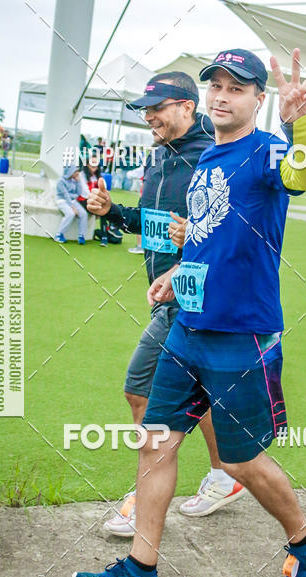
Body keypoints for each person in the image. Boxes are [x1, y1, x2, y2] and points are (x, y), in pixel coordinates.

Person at [74, 47, 306, 577]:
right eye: (215, 84)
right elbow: (205, 236)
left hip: (242, 334)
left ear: (258, 99)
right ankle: (140, 570)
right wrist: (176, 272)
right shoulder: (206, 164)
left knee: (239, 459)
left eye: (236, 87)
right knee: (155, 443)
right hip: (187, 327)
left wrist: (300, 119)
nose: (221, 94)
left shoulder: (268, 151)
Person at [86, 71, 246, 531]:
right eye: (144, 108)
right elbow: (155, 222)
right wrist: (113, 212)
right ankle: (223, 476)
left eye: (156, 107)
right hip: (166, 295)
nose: (148, 116)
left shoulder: (211, 157)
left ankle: (144, 499)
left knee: (140, 388)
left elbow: (231, 228)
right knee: (203, 394)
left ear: (187, 107)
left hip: (196, 295)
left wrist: (190, 244)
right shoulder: (157, 159)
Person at [55, 164, 87, 244]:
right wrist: (72, 207)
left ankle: (81, 236)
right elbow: (66, 195)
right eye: (75, 171)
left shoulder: (74, 180)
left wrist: (78, 181)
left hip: (72, 201)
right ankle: (59, 234)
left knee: (83, 214)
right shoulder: (60, 181)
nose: (77, 173)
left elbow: (78, 193)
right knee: (70, 214)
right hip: (62, 201)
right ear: (70, 172)